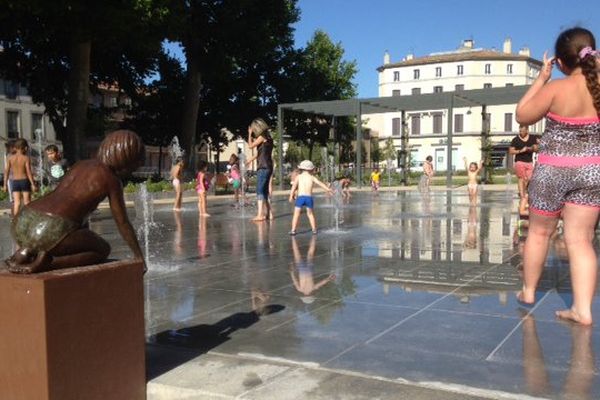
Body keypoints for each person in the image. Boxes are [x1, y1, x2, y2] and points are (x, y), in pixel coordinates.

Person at [515, 27, 600, 325]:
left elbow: (522, 115)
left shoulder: (555, 89)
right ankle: (583, 310)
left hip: (553, 171)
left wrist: (541, 79)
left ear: (561, 63)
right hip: (592, 172)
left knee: (539, 233)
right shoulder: (598, 87)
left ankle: (528, 291)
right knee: (581, 240)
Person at [4, 130, 145, 274]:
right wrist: (139, 257)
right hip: (51, 227)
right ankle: (49, 262)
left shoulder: (80, 165)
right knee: (103, 249)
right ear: (127, 160)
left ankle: (25, 251)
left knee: (64, 232)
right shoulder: (112, 181)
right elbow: (122, 223)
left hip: (23, 220)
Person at [288, 160, 333, 235]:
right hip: (309, 198)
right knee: (310, 214)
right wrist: (328, 189)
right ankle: (314, 230)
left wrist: (290, 196)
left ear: (301, 168)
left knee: (296, 214)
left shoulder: (298, 177)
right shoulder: (312, 177)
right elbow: (320, 183)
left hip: (300, 198)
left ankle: (293, 230)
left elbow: (293, 187)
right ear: (311, 169)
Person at [289, 236, 335, 304]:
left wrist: (328, 279)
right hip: (301, 270)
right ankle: (293, 241)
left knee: (310, 254)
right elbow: (295, 281)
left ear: (311, 295)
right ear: (303, 296)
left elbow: (321, 283)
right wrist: (291, 272)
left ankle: (313, 240)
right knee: (296, 253)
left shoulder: (313, 288)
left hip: (309, 271)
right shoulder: (300, 289)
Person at [246, 118, 273, 221]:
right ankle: (269, 214)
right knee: (265, 191)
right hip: (268, 165)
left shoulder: (262, 137)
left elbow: (250, 146)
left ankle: (260, 214)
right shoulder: (269, 138)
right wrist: (250, 160)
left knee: (259, 190)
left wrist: (249, 134)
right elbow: (260, 153)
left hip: (263, 166)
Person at [3, 138, 37, 216]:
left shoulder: (10, 158)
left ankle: (15, 220)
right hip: (24, 181)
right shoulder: (25, 158)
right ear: (25, 147)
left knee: (17, 203)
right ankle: (26, 220)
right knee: (27, 202)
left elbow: (6, 172)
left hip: (15, 182)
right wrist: (33, 184)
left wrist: (5, 185)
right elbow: (28, 172)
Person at [509, 124, 539, 199]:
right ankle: (522, 196)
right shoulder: (515, 139)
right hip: (519, 162)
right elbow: (511, 151)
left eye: (522, 130)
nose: (520, 132)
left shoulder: (532, 138)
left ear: (527, 130)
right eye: (520, 130)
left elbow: (537, 148)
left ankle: (523, 191)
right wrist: (520, 150)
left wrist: (531, 148)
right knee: (521, 179)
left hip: (529, 162)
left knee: (530, 178)